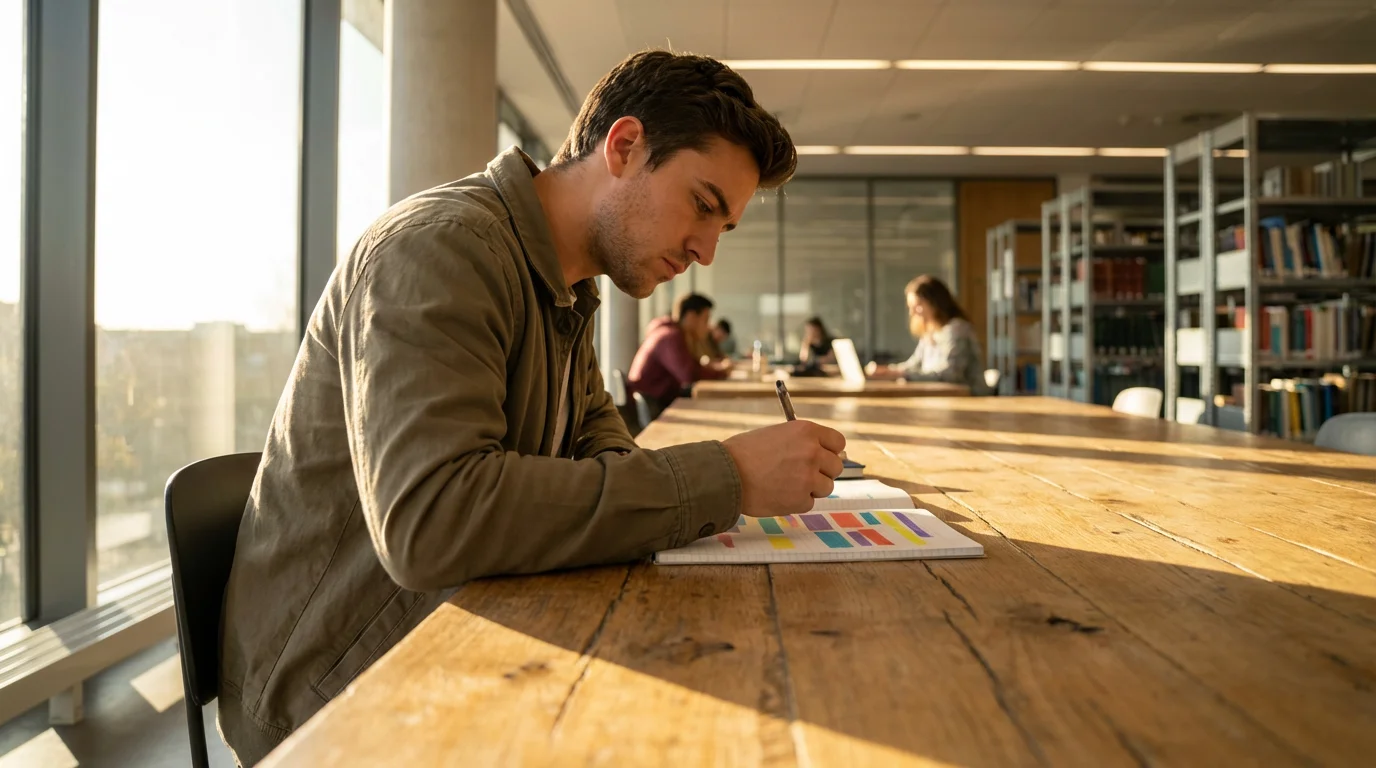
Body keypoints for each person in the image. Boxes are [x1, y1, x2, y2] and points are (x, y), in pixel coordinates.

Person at [217, 50, 846, 765]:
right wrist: (727, 475)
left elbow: (603, 445)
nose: (705, 251)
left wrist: (688, 482)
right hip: (336, 701)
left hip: (459, 643)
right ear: (624, 145)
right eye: (703, 205)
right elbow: (433, 520)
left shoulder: (565, 288)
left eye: (724, 228)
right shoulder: (440, 249)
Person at [867, 275, 990, 394]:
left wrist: (901, 374)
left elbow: (950, 375)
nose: (912, 312)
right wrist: (888, 371)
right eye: (911, 307)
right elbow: (914, 364)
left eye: (918, 305)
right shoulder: (930, 331)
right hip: (940, 398)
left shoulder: (957, 329)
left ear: (936, 302)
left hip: (968, 400)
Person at [628, 293, 731, 417]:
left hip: (660, 401)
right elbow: (689, 375)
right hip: (655, 408)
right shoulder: (671, 336)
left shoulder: (673, 333)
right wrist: (722, 371)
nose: (708, 327)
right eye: (706, 319)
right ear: (691, 317)